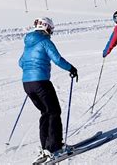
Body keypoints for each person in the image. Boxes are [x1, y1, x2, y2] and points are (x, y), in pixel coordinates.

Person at [19, 17, 78, 164]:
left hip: (27, 84)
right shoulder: (45, 41)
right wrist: (71, 68)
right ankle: (54, 147)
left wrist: (31, 71)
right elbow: (57, 59)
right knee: (54, 112)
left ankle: (46, 147)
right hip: (41, 83)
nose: (51, 32)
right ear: (46, 27)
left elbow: (21, 62)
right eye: (51, 29)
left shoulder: (28, 43)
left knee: (45, 113)